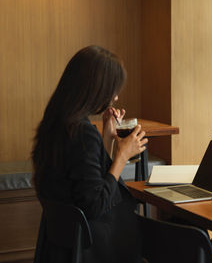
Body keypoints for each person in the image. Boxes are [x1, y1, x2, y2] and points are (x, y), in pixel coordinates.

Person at [32, 45, 148, 263]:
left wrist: (105, 137)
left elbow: (83, 175)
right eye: (113, 89)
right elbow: (95, 205)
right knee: (170, 236)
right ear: (96, 89)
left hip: (65, 242)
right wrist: (122, 156)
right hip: (95, 245)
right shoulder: (82, 131)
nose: (115, 97)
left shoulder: (56, 121)